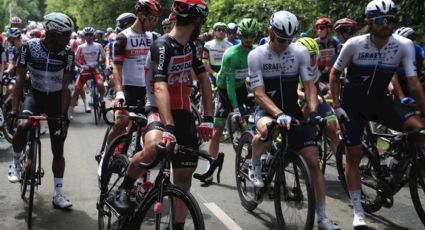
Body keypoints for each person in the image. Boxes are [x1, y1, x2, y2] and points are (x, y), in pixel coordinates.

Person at [111, 1, 213, 226]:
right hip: (157, 108)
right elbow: (159, 87)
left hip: (183, 111)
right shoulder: (162, 45)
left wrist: (208, 118)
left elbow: (204, 80)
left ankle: (177, 226)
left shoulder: (191, 46)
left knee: (184, 176)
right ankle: (124, 189)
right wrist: (169, 128)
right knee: (153, 147)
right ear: (197, 20)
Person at [329, 0, 425, 227]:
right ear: (370, 22)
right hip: (353, 105)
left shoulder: (403, 45)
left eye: (390, 20)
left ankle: (400, 166)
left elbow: (413, 82)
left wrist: (423, 110)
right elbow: (334, 74)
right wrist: (337, 106)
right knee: (353, 154)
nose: (385, 24)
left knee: (418, 130)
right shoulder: (353, 44)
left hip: (380, 103)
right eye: (380, 20)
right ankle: (358, 210)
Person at [248, 10, 340, 229]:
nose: (285, 44)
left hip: (292, 109)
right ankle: (255, 164)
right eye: (281, 39)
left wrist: (313, 109)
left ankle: (322, 218)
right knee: (269, 129)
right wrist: (278, 114)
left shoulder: (298, 52)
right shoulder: (257, 55)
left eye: (289, 39)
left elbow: (309, 86)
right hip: (267, 109)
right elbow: (259, 93)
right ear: (270, 32)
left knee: (314, 162)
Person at [9, 12, 75, 209]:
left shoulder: (68, 54)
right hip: (35, 96)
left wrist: (63, 115)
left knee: (58, 147)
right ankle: (15, 162)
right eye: (66, 35)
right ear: (52, 33)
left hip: (56, 99)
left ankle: (57, 194)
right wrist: (14, 109)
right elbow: (20, 78)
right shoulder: (29, 47)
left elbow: (65, 86)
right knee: (23, 124)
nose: (68, 39)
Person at [98, 0, 162, 176]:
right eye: (151, 19)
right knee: (121, 122)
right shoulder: (123, 37)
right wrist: (119, 93)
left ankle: (140, 172)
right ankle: (105, 154)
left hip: (147, 90)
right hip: (127, 88)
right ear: (140, 15)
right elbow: (116, 68)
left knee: (147, 130)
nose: (153, 23)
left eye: (156, 19)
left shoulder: (154, 37)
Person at [196, 18, 258, 183]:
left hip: (241, 88)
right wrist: (236, 108)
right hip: (225, 89)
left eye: (252, 35)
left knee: (253, 124)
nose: (249, 39)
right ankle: (210, 165)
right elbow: (230, 87)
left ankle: (253, 159)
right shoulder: (231, 54)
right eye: (245, 35)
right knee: (217, 131)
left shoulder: (256, 51)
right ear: (240, 35)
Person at [296, 37, 340, 158]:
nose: (312, 59)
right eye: (308, 56)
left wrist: (323, 92)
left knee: (333, 128)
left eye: (314, 55)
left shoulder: (315, 63)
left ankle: (341, 168)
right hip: (301, 95)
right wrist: (308, 97)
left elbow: (316, 84)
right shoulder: (292, 65)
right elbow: (296, 91)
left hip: (314, 91)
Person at [68, 26, 106, 117]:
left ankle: (101, 98)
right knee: (76, 90)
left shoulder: (98, 46)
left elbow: (104, 57)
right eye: (87, 35)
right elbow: (75, 60)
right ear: (84, 37)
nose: (89, 37)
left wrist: (100, 62)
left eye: (90, 35)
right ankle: (69, 111)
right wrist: (81, 66)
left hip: (95, 69)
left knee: (101, 84)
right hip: (84, 70)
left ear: (93, 36)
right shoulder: (81, 47)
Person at [392, 27, 425, 102]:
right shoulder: (392, 51)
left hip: (413, 82)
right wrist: (401, 97)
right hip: (396, 83)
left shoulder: (418, 49)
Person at [202, 22, 233, 88]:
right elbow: (205, 63)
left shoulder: (230, 46)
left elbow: (232, 63)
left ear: (226, 32)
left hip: (226, 74)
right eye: (218, 29)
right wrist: (214, 73)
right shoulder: (207, 45)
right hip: (212, 73)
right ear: (214, 31)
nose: (221, 32)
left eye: (223, 30)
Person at [314, 17, 339, 83]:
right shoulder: (314, 43)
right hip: (319, 76)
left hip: (333, 74)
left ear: (329, 29)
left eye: (322, 28)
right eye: (317, 28)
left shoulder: (335, 42)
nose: (319, 30)